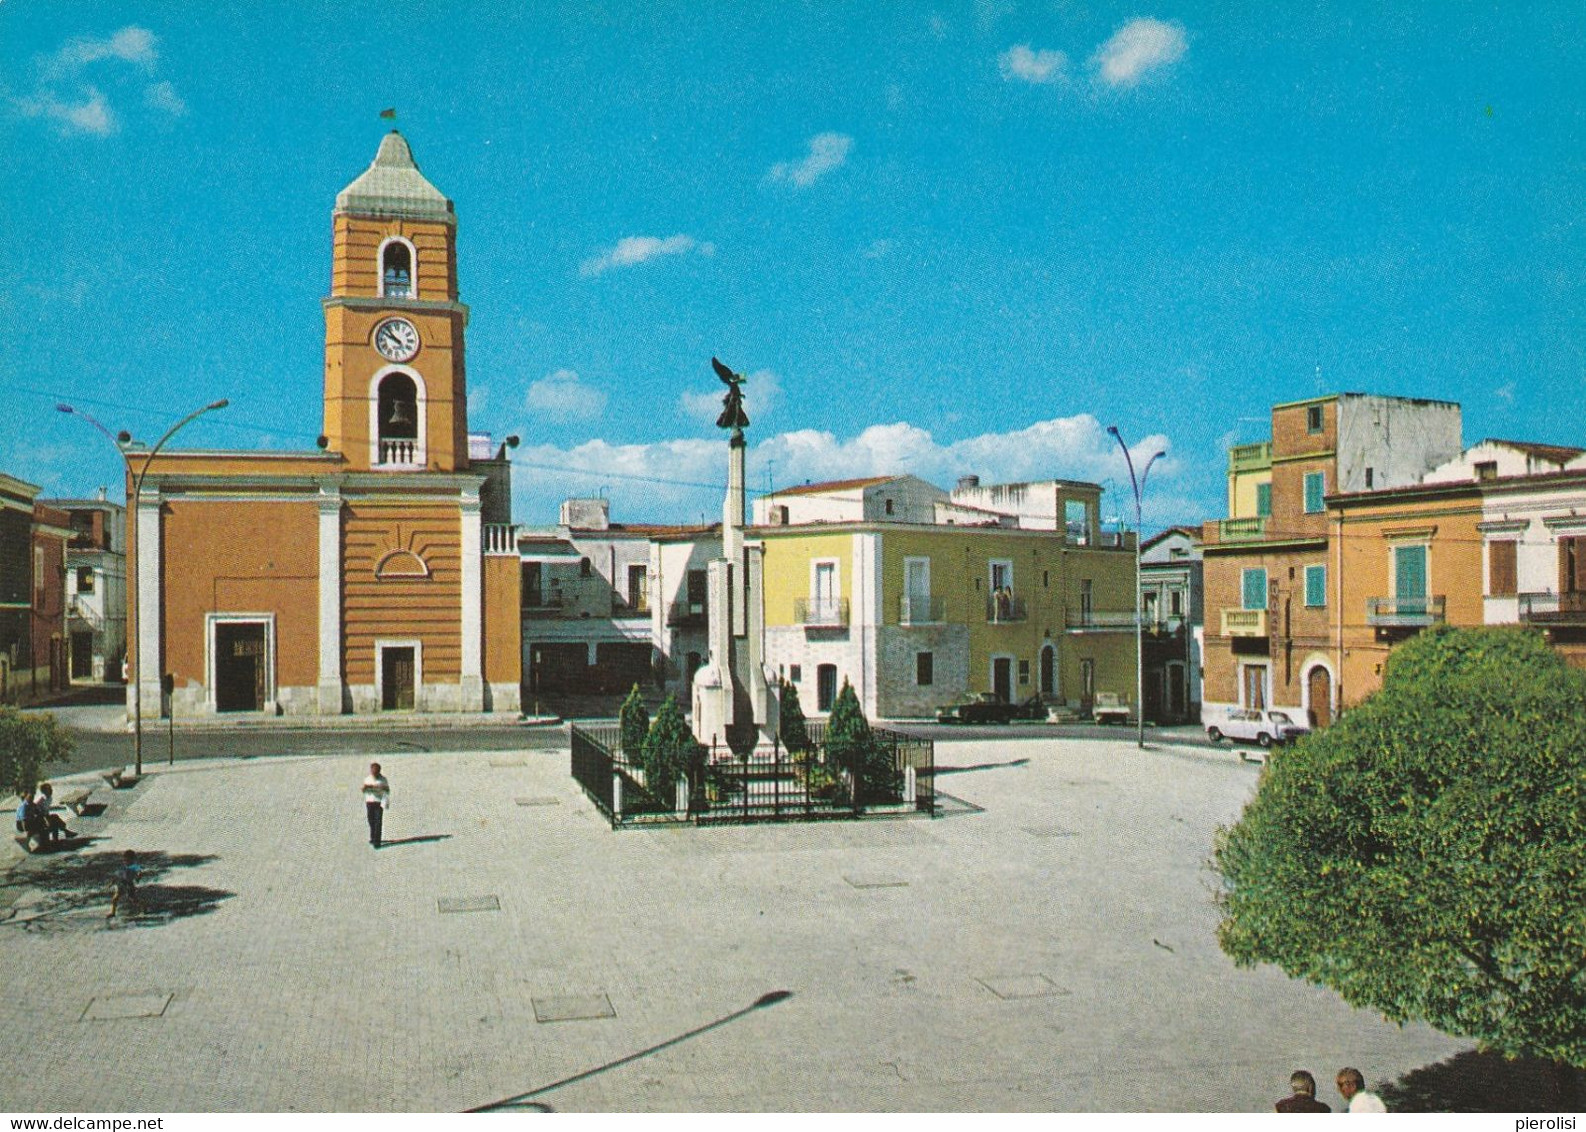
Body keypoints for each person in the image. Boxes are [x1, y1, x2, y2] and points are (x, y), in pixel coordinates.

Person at [362, 763, 391, 848]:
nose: (375, 773)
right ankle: (373, 837)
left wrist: (381, 787)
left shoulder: (383, 779)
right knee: (371, 821)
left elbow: (387, 790)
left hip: (379, 802)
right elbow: (364, 790)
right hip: (370, 802)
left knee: (378, 822)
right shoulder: (367, 779)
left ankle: (377, 842)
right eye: (373, 771)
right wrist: (366, 788)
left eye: (376, 771)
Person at [108, 849, 142, 919]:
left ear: (132, 859)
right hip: (121, 884)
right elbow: (118, 875)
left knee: (133, 898)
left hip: (129, 884)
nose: (126, 861)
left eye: (128, 859)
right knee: (115, 899)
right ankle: (113, 913)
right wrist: (112, 883)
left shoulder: (134, 866)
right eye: (125, 859)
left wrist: (138, 877)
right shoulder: (123, 866)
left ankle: (142, 909)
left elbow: (139, 872)